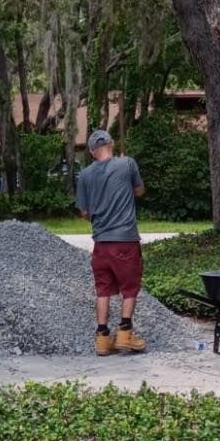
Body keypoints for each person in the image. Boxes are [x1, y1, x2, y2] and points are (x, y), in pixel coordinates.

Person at [75, 128, 147, 354]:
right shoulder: (127, 164)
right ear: (112, 144)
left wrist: (99, 217)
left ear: (92, 152)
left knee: (103, 290)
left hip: (100, 243)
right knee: (130, 287)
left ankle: (103, 338)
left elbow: (84, 212)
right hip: (125, 240)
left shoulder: (84, 175)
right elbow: (139, 191)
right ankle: (125, 333)